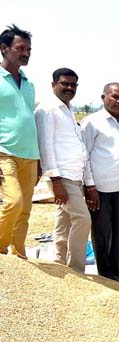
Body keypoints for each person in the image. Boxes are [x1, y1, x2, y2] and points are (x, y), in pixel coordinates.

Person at [34, 67, 91, 273]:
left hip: (75, 176)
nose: (69, 88)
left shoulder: (69, 108)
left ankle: (59, 261)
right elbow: (46, 146)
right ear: (53, 85)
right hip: (61, 176)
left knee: (64, 218)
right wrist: (56, 181)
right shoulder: (46, 109)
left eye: (73, 85)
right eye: (64, 84)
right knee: (83, 219)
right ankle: (76, 268)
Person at [81, 83, 119, 283]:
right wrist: (90, 186)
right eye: (114, 97)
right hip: (99, 188)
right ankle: (105, 274)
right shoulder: (92, 122)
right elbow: (84, 155)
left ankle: (117, 271)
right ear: (103, 97)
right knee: (102, 232)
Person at [0, 25, 38, 259]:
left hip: (30, 155)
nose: (26, 53)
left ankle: (18, 253)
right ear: (4, 49)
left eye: (29, 49)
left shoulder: (29, 83)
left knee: (24, 210)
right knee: (13, 202)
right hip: (5, 153)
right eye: (20, 48)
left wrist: (40, 158)